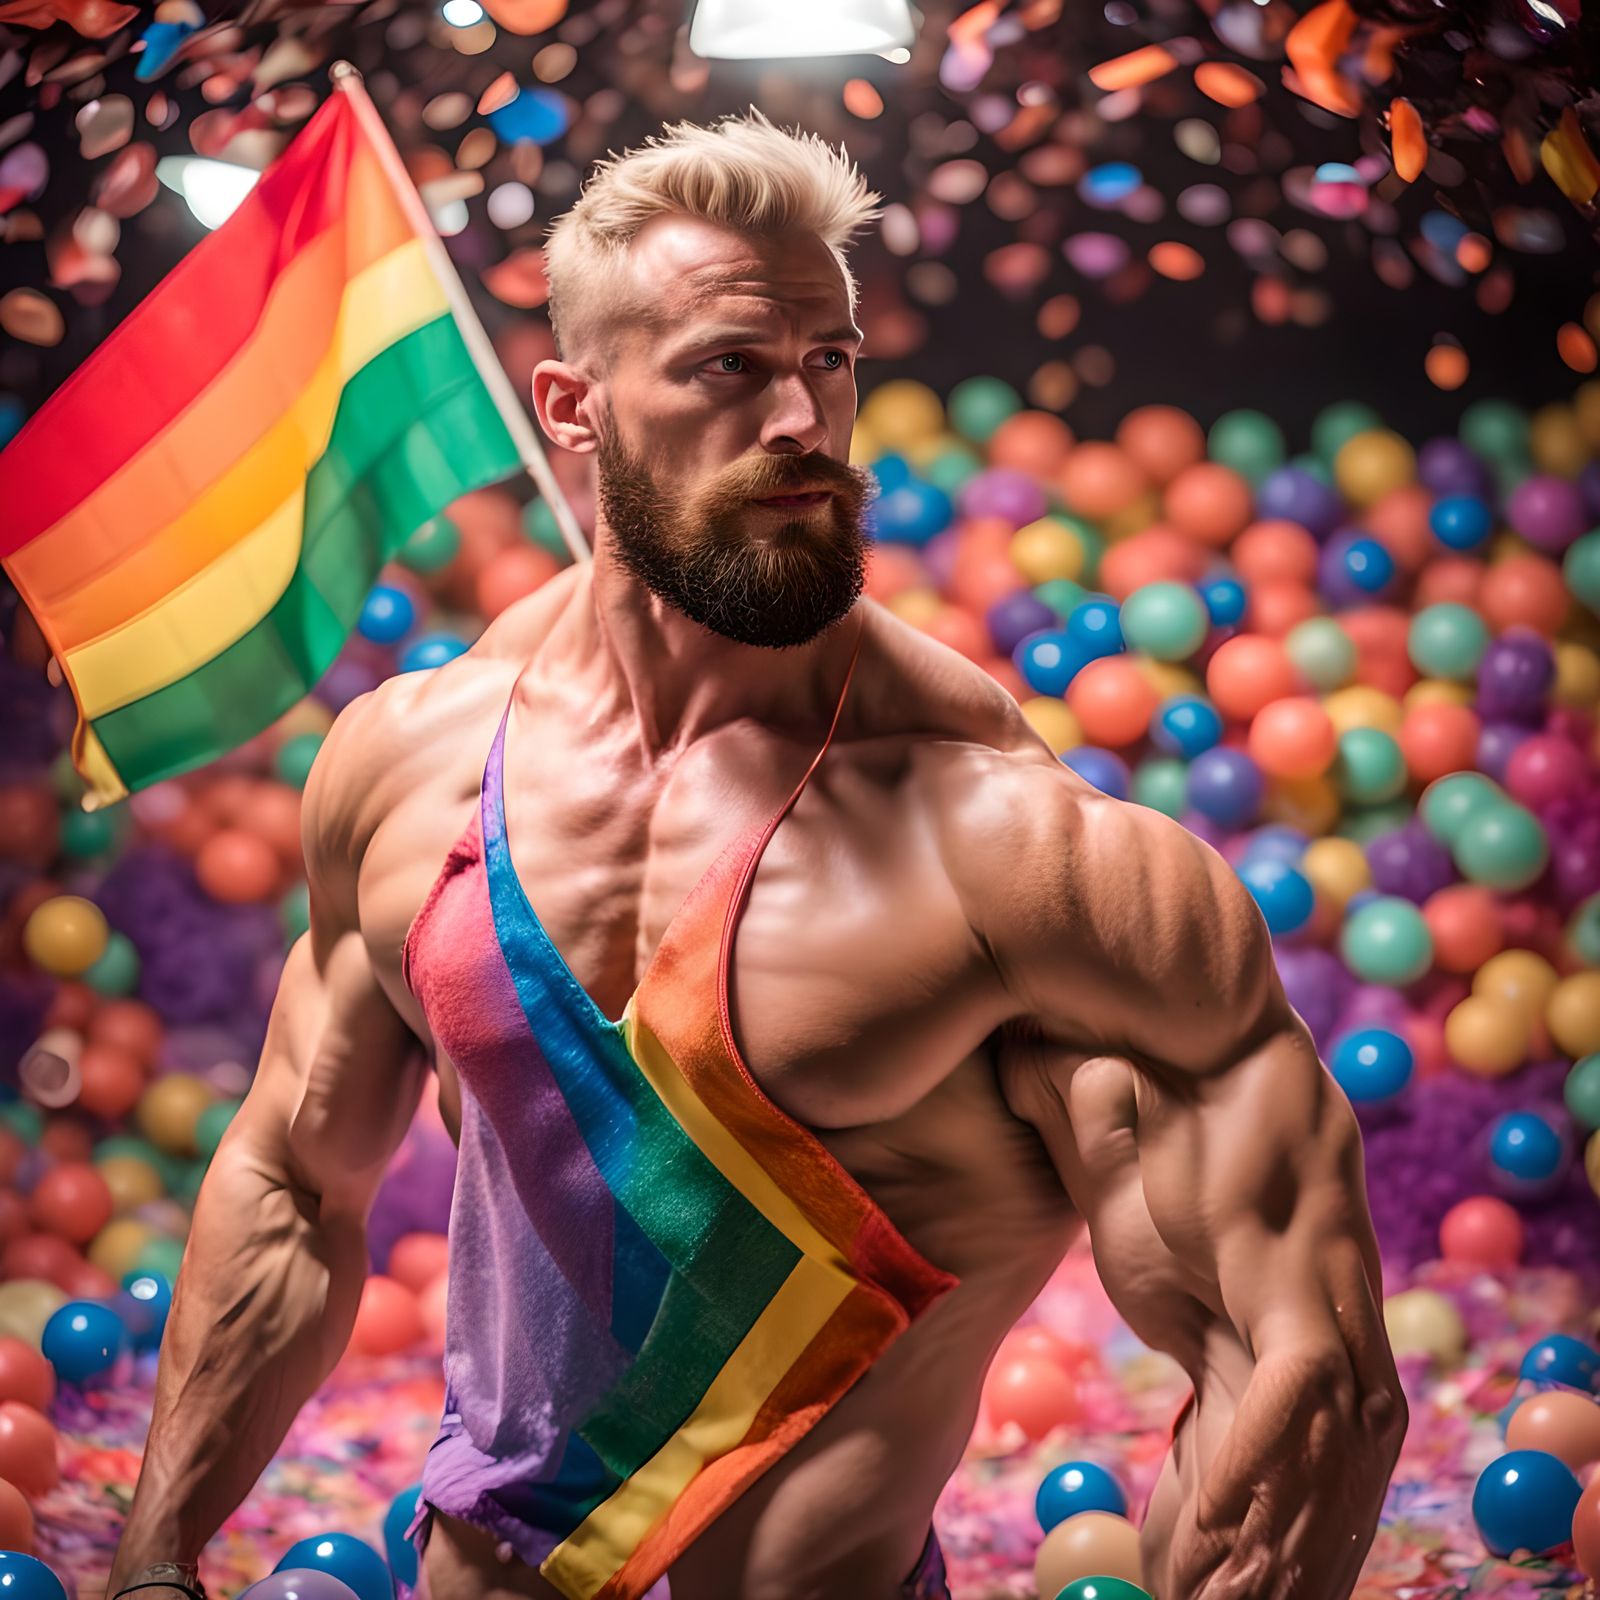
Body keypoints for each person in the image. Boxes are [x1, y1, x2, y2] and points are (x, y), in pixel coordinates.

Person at [107, 108, 1407, 1600]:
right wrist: (151, 1563)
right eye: (733, 366)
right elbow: (289, 1181)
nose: (802, 420)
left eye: (829, 361)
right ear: (572, 408)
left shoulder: (1016, 854)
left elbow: (1292, 1376)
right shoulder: (409, 765)